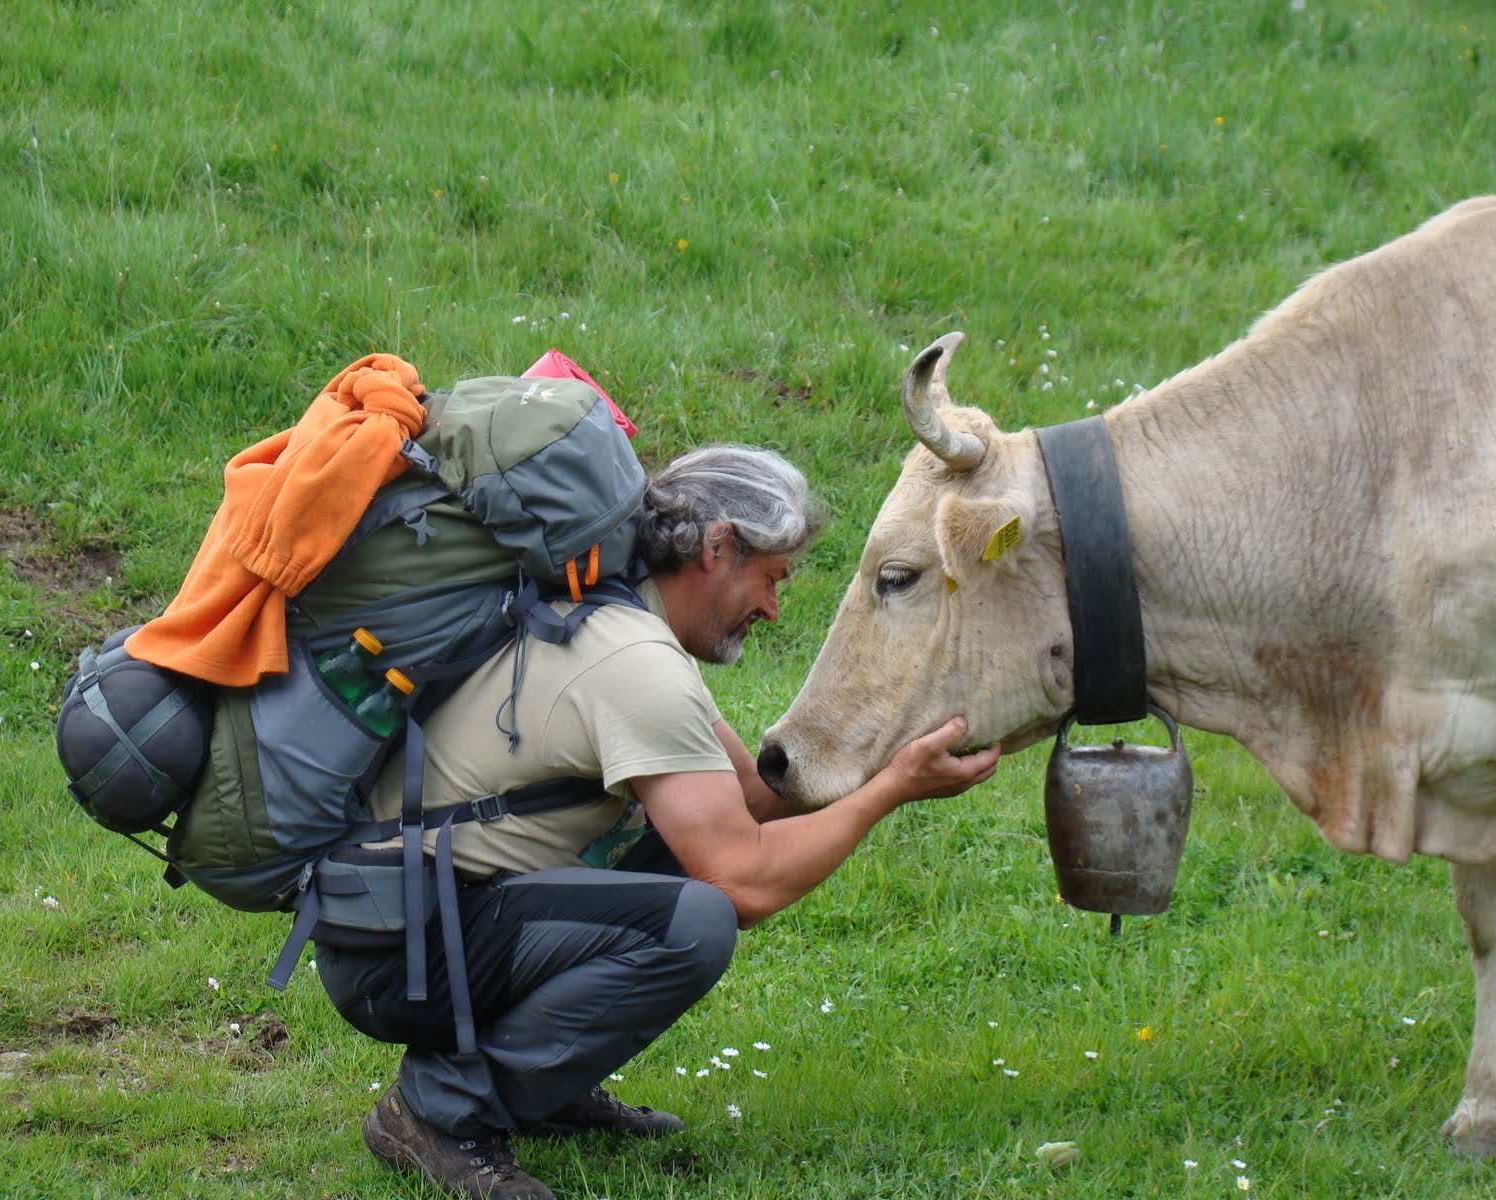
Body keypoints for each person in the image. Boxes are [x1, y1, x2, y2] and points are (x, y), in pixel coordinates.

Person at [314, 444, 1001, 1200]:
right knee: (696, 919)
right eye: (770, 578)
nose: (773, 608)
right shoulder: (634, 665)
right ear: (717, 548)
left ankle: (540, 1086)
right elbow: (743, 882)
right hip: (399, 954)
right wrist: (893, 790)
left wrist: (885, 743)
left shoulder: (623, 620)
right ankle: (440, 1111)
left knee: (682, 868)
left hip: (413, 917)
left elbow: (749, 799)